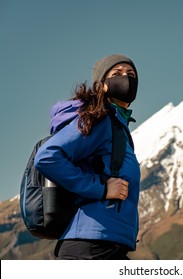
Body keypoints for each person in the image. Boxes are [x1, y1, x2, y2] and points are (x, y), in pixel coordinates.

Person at [34, 54, 141, 260]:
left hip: (108, 245)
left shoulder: (119, 126)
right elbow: (47, 157)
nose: (125, 78)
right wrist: (101, 188)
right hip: (90, 247)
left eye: (131, 74)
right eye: (116, 73)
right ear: (102, 85)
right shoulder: (100, 120)